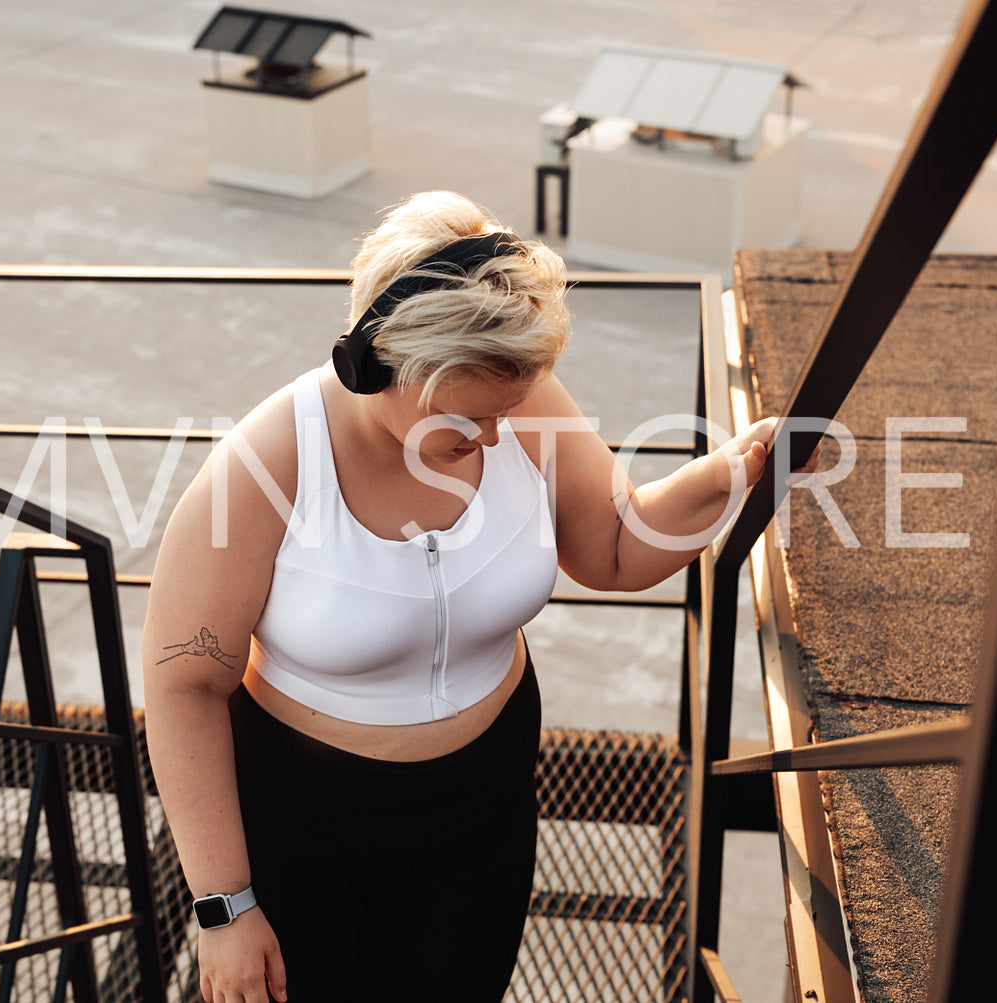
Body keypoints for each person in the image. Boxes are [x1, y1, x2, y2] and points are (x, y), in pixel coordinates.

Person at [142, 191, 787, 1003]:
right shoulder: (264, 465)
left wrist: (729, 476)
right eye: (468, 416)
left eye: (505, 411)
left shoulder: (514, 403)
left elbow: (615, 548)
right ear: (379, 361)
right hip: (303, 822)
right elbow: (183, 685)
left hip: (484, 802)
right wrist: (225, 909)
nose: (491, 437)